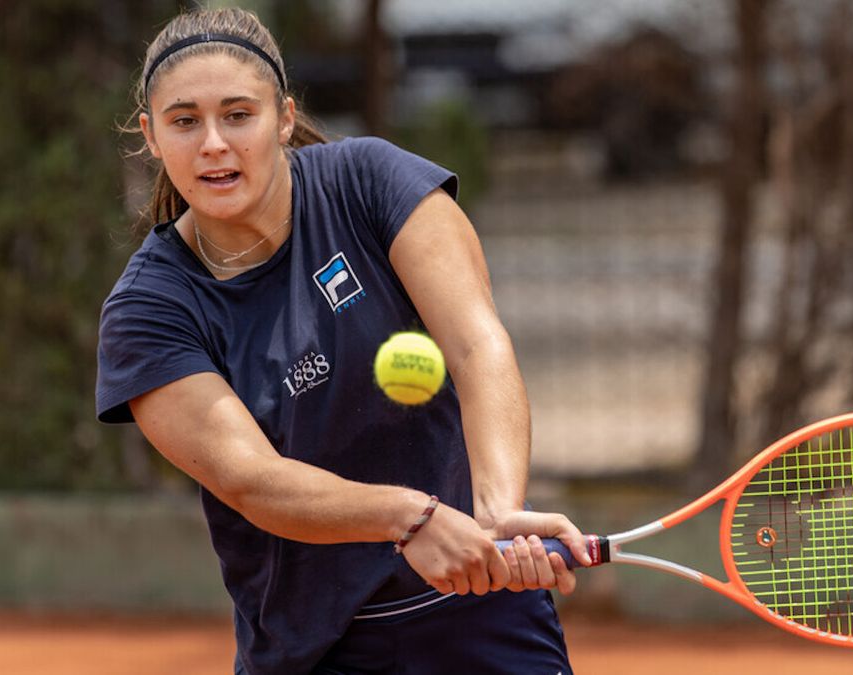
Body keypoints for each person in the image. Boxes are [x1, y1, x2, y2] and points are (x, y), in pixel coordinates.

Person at [95, 8, 590, 674]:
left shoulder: (372, 182)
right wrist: (409, 516)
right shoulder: (148, 309)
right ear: (153, 137)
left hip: (483, 615)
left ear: (285, 117)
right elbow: (252, 479)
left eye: (239, 115)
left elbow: (478, 344)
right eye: (185, 122)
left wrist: (499, 513)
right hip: (315, 647)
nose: (213, 143)